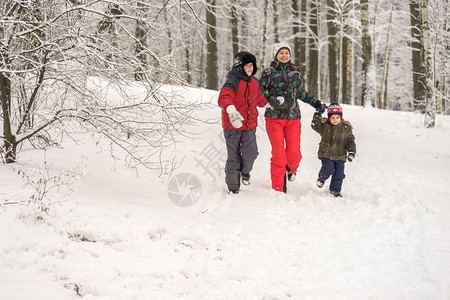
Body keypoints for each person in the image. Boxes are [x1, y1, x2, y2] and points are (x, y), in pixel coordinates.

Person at [259, 43, 326, 193]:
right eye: (281, 53)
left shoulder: (296, 71)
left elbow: (301, 93)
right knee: (278, 154)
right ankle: (278, 188)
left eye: (287, 53)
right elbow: (260, 91)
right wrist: (269, 98)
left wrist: (315, 102)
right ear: (276, 55)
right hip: (274, 117)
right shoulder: (268, 72)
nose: (284, 55)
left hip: (293, 117)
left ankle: (290, 169)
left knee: (294, 154)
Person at [218, 51, 282, 194]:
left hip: (249, 126)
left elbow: (258, 99)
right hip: (232, 125)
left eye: (252, 65)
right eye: (247, 65)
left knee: (251, 153)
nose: (250, 68)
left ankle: (245, 172)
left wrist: (270, 103)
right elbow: (223, 98)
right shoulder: (232, 81)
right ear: (239, 66)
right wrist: (231, 110)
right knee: (233, 158)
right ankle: (233, 189)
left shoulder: (254, 83)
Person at [311, 103, 356, 197]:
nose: (335, 120)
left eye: (337, 117)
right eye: (332, 118)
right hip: (326, 153)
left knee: (339, 174)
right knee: (329, 169)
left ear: (341, 117)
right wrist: (317, 114)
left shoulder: (346, 128)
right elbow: (315, 125)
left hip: (341, 155)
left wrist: (351, 151)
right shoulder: (324, 126)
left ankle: (335, 190)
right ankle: (322, 178)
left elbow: (350, 141)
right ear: (329, 118)